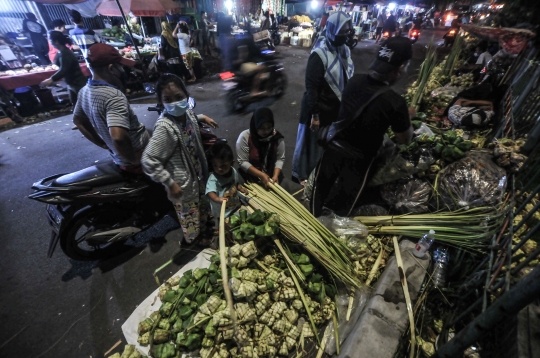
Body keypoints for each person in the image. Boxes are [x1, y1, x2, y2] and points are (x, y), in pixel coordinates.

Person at [310, 37, 415, 217]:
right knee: (344, 207)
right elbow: (404, 139)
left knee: (318, 196)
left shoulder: (354, 81)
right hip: (359, 163)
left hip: (332, 151)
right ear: (400, 68)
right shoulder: (395, 103)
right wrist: (408, 118)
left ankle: (309, 225)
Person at [142, 74, 219, 246]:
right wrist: (169, 183)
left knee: (202, 206)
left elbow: (190, 119)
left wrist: (202, 117)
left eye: (178, 97)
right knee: (190, 216)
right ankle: (196, 240)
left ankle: (206, 229)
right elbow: (149, 159)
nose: (175, 103)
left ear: (186, 95)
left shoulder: (187, 113)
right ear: (161, 102)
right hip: (182, 184)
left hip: (197, 176)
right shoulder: (164, 128)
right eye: (168, 99)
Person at [292, 11, 354, 184]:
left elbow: (346, 77)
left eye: (348, 32)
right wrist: (315, 114)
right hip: (316, 108)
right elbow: (311, 87)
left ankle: (318, 174)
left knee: (323, 144)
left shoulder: (343, 50)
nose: (346, 35)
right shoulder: (319, 55)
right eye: (343, 32)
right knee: (309, 143)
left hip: (333, 108)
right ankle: (302, 175)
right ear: (333, 31)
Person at [73, 44, 149, 173]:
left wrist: (102, 143)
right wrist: (133, 160)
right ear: (112, 68)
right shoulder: (114, 97)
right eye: (121, 67)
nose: (123, 70)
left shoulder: (84, 91)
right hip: (139, 162)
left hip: (118, 158)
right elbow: (118, 137)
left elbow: (78, 121)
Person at [236, 107, 285, 189]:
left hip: (271, 174)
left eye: (269, 128)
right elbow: (242, 162)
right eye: (261, 128)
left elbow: (280, 159)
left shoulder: (276, 137)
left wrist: (275, 175)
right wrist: (261, 175)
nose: (266, 131)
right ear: (255, 124)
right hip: (251, 176)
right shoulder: (245, 137)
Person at [206, 142, 247, 226]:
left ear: (232, 163)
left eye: (223, 165)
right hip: (221, 210)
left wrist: (240, 188)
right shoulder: (213, 179)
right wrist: (217, 199)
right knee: (222, 225)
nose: (219, 169)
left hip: (234, 204)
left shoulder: (233, 171)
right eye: (215, 165)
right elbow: (210, 192)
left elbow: (235, 183)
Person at [41, 31, 87, 106]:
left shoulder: (65, 53)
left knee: (84, 105)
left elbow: (64, 70)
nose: (48, 41)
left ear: (55, 41)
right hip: (71, 83)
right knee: (76, 106)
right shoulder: (60, 52)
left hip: (78, 83)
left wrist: (51, 79)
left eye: (49, 39)